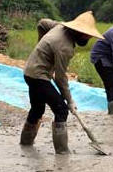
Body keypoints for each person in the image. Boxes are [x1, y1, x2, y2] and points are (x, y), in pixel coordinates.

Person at [19, 11, 104, 154]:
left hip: (29, 72)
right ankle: (62, 152)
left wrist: (41, 44)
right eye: (87, 35)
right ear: (78, 32)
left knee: (37, 109)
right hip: (39, 76)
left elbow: (42, 23)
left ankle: (25, 144)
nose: (88, 38)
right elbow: (60, 77)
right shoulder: (65, 47)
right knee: (61, 110)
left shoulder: (58, 26)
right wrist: (69, 100)